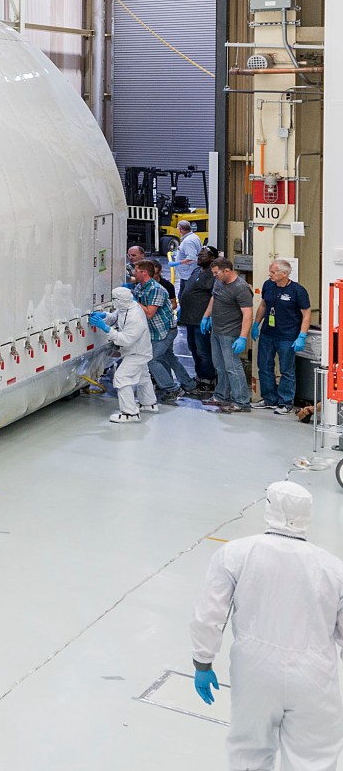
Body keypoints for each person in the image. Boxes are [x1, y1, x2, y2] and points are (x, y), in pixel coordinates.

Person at [191, 480, 343, 769]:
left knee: (249, 753)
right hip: (315, 678)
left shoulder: (235, 554)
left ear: (269, 509)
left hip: (254, 672)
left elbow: (209, 614)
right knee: (314, 759)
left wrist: (203, 661)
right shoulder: (334, 568)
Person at [91, 287, 157, 423]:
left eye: (115, 299)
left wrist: (105, 328)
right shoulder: (128, 306)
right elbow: (116, 316)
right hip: (138, 350)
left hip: (137, 352)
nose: (114, 302)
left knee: (122, 377)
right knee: (143, 376)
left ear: (121, 300)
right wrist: (104, 316)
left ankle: (130, 413)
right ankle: (149, 404)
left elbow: (126, 339)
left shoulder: (135, 316)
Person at [130, 255, 191, 400]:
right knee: (169, 357)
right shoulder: (141, 287)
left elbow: (150, 313)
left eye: (136, 271)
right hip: (157, 331)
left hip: (165, 331)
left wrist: (132, 301)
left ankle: (172, 388)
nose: (134, 274)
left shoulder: (156, 290)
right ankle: (188, 384)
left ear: (144, 273)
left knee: (152, 360)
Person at [258, 260, 313, 415]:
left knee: (286, 370)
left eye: (273, 272)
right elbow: (263, 305)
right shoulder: (268, 285)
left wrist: (302, 335)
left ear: (284, 274)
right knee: (264, 367)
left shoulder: (297, 291)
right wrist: (257, 323)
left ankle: (285, 402)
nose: (270, 274)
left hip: (287, 336)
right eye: (270, 271)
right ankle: (269, 399)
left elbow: (306, 314)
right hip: (268, 334)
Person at [202, 256, 256, 413]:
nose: (214, 276)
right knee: (220, 366)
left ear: (227, 271)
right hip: (217, 330)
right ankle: (221, 396)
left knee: (232, 367)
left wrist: (243, 337)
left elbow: (247, 314)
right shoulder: (219, 281)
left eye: (216, 273)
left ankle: (241, 401)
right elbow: (214, 298)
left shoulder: (241, 288)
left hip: (230, 333)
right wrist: (206, 316)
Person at [180, 251, 220, 396]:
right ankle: (199, 376)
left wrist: (208, 317)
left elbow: (214, 297)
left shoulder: (213, 275)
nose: (199, 257)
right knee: (193, 349)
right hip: (189, 319)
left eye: (203, 255)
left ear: (212, 258)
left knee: (203, 351)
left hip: (201, 320)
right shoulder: (197, 270)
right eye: (198, 255)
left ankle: (207, 380)